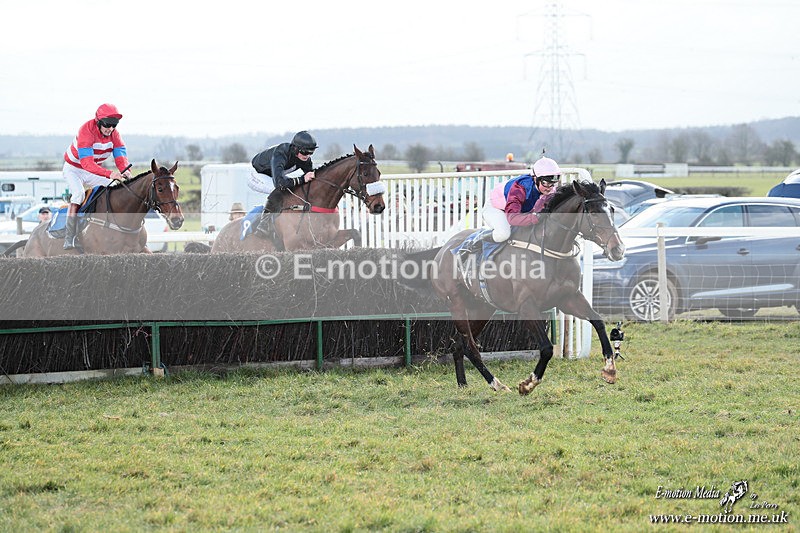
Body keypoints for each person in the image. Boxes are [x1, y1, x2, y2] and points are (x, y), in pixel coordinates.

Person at [62, 103, 132, 249]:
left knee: (113, 187)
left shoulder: (114, 134)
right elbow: (87, 163)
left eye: (114, 125)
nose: (111, 129)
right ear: (98, 121)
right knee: (78, 194)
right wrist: (110, 173)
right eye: (108, 125)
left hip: (91, 170)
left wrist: (125, 170)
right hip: (74, 169)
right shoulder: (86, 130)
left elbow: (120, 155)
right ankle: (69, 237)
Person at [461, 155, 563, 256]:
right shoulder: (520, 189)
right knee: (503, 234)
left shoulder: (550, 190)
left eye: (552, 183)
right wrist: (536, 217)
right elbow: (513, 218)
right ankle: (477, 240)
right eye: (545, 183)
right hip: (496, 209)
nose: (549, 188)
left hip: (519, 211)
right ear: (535, 178)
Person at [249, 131, 318, 237]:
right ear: (296, 148)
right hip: (257, 175)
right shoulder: (281, 153)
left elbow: (312, 177)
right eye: (305, 152)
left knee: (295, 187)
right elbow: (279, 184)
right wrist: (302, 179)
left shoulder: (305, 159)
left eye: (311, 153)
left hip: (274, 175)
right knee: (281, 190)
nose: (307, 156)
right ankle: (263, 225)